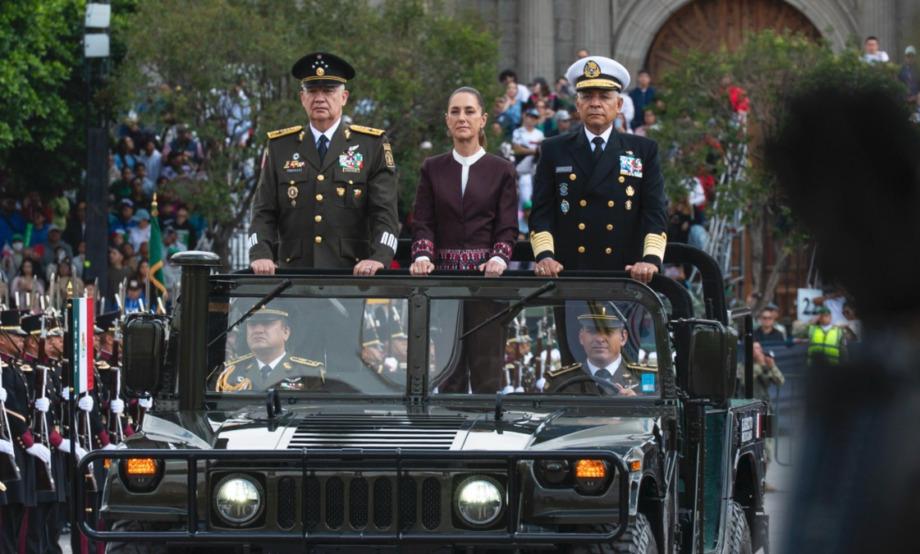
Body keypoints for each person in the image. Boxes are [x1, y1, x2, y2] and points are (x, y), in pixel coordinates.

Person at [409, 87, 519, 395]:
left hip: (487, 283)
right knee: (449, 374)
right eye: (455, 111)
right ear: (447, 120)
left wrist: (498, 258)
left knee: (487, 373)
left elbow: (508, 227)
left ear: (483, 119)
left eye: (469, 111)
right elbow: (423, 222)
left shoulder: (502, 169)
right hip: (444, 282)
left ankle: (486, 440)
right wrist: (422, 257)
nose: (462, 118)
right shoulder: (433, 167)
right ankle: (450, 436)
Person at [248, 52, 399, 275]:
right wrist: (260, 254)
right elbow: (263, 212)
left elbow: (384, 214)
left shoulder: (371, 145)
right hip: (293, 278)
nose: (319, 98)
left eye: (328, 91)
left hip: (352, 277)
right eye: (312, 91)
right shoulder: (281, 147)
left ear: (344, 97)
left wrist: (379, 258)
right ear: (302, 98)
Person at [529, 56, 668, 284]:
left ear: (619, 105)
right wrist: (545, 256)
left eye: (604, 97)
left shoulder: (643, 150)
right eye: (587, 96)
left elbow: (655, 211)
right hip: (569, 274)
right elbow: (542, 211)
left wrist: (651, 260)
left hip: (627, 276)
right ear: (577, 103)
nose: (595, 103)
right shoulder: (554, 149)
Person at [542, 303, 654, 395]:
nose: (600, 339)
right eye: (592, 331)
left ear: (623, 337)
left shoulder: (648, 379)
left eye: (608, 331)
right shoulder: (560, 382)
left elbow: (662, 418)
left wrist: (637, 406)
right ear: (581, 337)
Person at [214, 307, 325, 391]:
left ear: (286, 332)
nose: (258, 330)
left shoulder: (309, 374)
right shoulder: (228, 373)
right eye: (252, 324)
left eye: (267, 323)